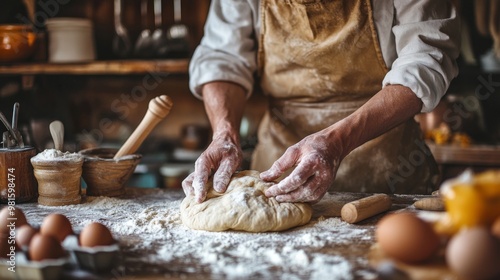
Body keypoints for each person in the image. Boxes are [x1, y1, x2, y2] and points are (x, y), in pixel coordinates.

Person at [182, 0, 460, 204]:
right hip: (278, 172)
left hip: (389, 173)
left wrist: (337, 141)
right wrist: (224, 133)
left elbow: (425, 61)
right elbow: (222, 58)